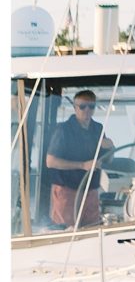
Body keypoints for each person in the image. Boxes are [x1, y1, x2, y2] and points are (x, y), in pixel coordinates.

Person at [46, 89, 113, 230]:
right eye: (82, 106)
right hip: (67, 191)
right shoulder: (63, 129)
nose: (87, 110)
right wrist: (82, 165)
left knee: (92, 231)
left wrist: (110, 148)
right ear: (75, 108)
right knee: (65, 232)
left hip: (91, 191)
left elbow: (108, 160)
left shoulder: (98, 128)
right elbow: (50, 161)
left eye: (91, 106)